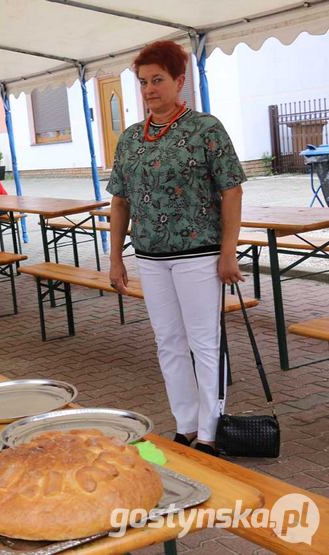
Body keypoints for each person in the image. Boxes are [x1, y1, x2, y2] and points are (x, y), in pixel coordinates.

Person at [107, 41, 244, 457]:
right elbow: (120, 200)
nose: (149, 89)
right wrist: (115, 257)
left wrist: (228, 250)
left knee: (204, 341)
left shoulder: (206, 128)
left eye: (158, 80)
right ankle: (185, 424)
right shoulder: (131, 138)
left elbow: (231, 190)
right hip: (150, 258)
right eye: (143, 82)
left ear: (179, 81)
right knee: (167, 341)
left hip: (199, 255)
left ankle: (211, 429)